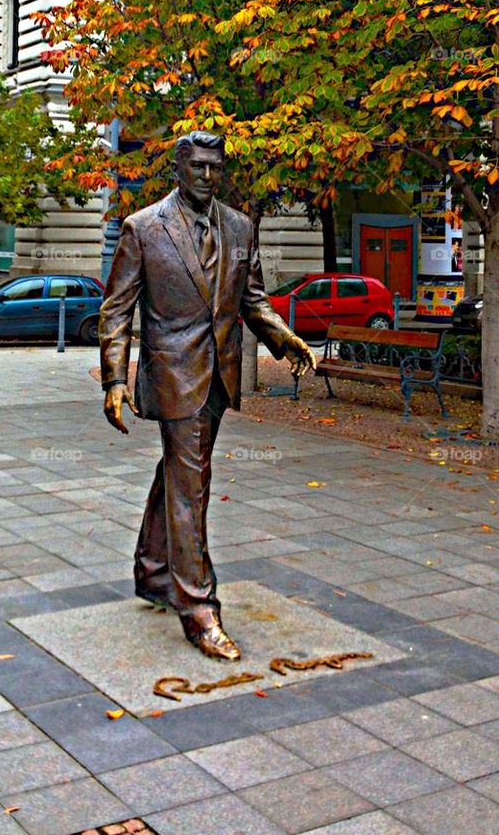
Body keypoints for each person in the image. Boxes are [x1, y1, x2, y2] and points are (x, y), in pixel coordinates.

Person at [99, 131, 316, 661]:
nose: (207, 176)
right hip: (172, 374)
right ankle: (198, 607)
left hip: (219, 374)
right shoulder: (143, 228)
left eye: (215, 167)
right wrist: (114, 379)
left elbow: (253, 299)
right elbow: (116, 310)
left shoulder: (239, 227)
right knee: (191, 483)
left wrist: (283, 337)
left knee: (180, 471)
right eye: (197, 166)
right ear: (178, 168)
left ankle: (154, 571)